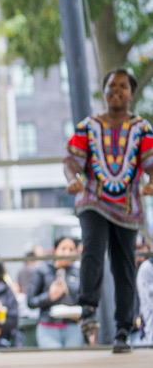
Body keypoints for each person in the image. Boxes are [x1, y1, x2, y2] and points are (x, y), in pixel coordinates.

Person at [64, 68, 153, 353]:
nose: (116, 90)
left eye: (123, 86)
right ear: (103, 91)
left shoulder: (142, 128)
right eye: (111, 85)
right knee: (92, 247)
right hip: (93, 199)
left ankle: (123, 330)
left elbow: (151, 161)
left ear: (132, 92)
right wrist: (73, 180)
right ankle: (88, 308)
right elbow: (71, 161)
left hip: (128, 206)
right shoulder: (88, 126)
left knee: (124, 265)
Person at [26, 236, 83, 349]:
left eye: (71, 250)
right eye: (63, 248)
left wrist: (79, 311)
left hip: (73, 327)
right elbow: (31, 301)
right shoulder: (42, 271)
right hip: (48, 328)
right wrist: (49, 297)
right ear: (56, 250)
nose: (67, 253)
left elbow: (84, 298)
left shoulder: (78, 273)